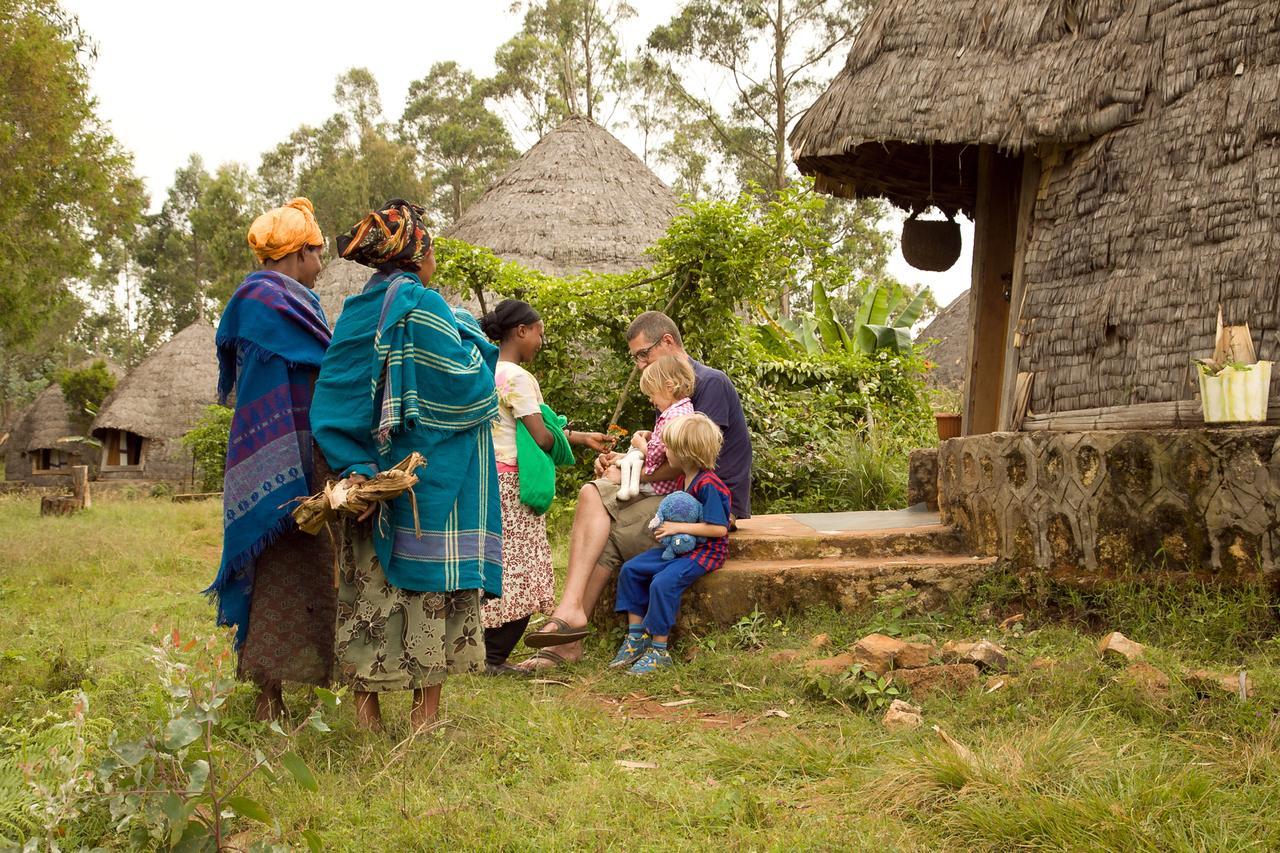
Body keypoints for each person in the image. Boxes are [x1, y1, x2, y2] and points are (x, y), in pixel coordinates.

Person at [310, 199, 500, 731]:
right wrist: (477, 342)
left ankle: (367, 717)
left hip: (366, 481)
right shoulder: (424, 307)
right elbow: (468, 387)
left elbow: (332, 400)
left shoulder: (352, 315)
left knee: (368, 590)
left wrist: (357, 469)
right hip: (422, 484)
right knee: (428, 592)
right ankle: (424, 717)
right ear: (417, 253)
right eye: (432, 247)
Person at [519, 311, 752, 670]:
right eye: (636, 358)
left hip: (707, 505)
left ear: (668, 343)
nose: (640, 364)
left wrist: (634, 473)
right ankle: (570, 619)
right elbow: (666, 448)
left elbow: (691, 455)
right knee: (592, 494)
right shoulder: (674, 396)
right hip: (678, 494)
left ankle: (569, 626)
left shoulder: (709, 384)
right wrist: (627, 458)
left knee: (604, 521)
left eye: (643, 354)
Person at [205, 197, 336, 721]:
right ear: (298, 253)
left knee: (312, 569)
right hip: (276, 457)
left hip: (304, 454)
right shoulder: (264, 300)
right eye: (317, 253)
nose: (322, 265)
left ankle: (290, 693)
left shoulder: (292, 301)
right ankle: (266, 697)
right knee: (273, 572)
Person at [478, 299, 613, 674]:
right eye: (539, 333)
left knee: (499, 567)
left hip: (491, 480)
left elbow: (522, 425)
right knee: (526, 571)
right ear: (521, 331)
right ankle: (494, 658)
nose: (541, 341)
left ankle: (481, 652)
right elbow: (539, 436)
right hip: (514, 485)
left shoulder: (488, 370)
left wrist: (582, 437)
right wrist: (563, 444)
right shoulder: (518, 378)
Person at [611, 413, 730, 674]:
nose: (665, 452)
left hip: (705, 551)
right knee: (631, 570)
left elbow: (719, 528)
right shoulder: (683, 479)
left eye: (670, 448)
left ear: (685, 453)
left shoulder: (709, 484)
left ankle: (659, 649)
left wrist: (677, 527)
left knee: (663, 583)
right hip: (677, 547)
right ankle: (635, 637)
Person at [628, 355, 695, 497]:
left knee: (616, 485)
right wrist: (652, 436)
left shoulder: (671, 416)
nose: (651, 400)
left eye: (652, 394)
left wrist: (641, 445)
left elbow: (655, 457)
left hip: (659, 487)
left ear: (669, 387)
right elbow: (667, 442)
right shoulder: (685, 409)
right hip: (673, 486)